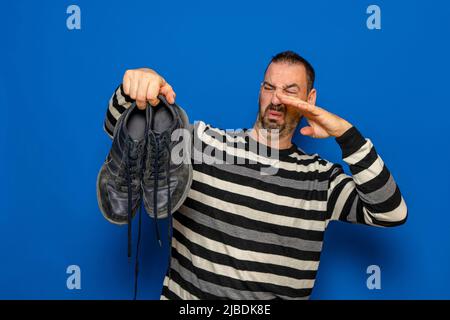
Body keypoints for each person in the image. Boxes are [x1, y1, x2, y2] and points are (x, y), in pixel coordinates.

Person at [103, 51, 407, 300]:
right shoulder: (202, 143)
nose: (276, 100)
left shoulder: (320, 179)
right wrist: (135, 86)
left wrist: (345, 134)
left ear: (310, 99)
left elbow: (390, 212)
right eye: (269, 87)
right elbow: (122, 132)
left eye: (290, 91)